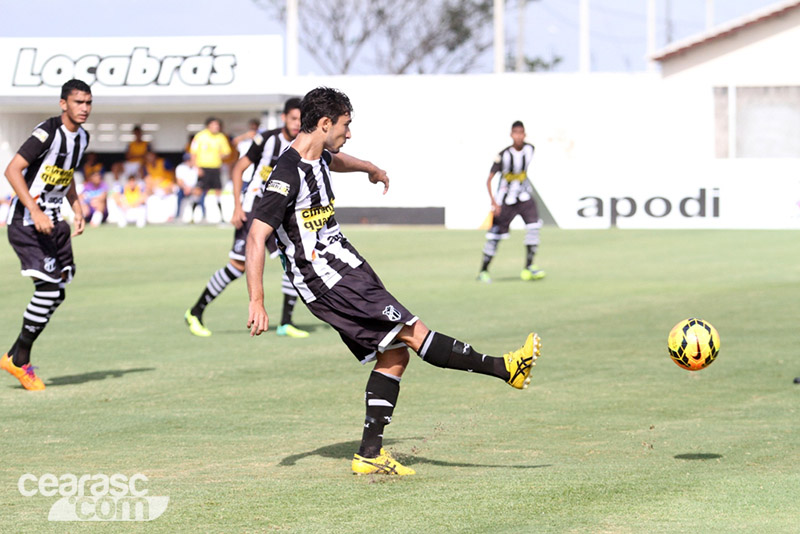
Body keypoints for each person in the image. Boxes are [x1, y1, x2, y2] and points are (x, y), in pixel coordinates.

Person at [246, 87, 541, 476]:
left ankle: (369, 454)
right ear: (324, 123)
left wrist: (370, 167)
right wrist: (257, 300)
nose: (348, 133)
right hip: (328, 279)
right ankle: (506, 368)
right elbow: (255, 235)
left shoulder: (317, 154)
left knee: (395, 355)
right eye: (346, 125)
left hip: (348, 266)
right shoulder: (286, 173)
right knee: (413, 332)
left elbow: (334, 160)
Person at [185, 98, 310, 338]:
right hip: (255, 208)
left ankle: (286, 322)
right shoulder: (267, 140)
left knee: (291, 260)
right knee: (238, 266)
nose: (297, 124)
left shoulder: (303, 144)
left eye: (301, 119)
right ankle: (195, 311)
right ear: (283, 118)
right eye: (293, 118)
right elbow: (238, 168)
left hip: (280, 210)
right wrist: (237, 207)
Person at [1, 79, 92, 391]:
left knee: (59, 288)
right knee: (50, 291)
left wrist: (77, 208)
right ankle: (19, 359)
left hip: (56, 223)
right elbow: (12, 170)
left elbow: (67, 176)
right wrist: (35, 210)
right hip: (27, 221)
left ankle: (15, 354)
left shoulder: (82, 139)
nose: (84, 108)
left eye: (88, 103)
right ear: (63, 103)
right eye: (78, 102)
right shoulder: (47, 132)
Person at [477, 120, 546, 283]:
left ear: (524, 134)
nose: (518, 136)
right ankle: (483, 271)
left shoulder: (530, 149)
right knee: (495, 236)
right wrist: (494, 202)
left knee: (534, 228)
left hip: (524, 197)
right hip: (505, 201)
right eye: (515, 133)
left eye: (521, 133)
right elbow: (489, 179)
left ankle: (528, 268)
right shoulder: (503, 155)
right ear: (511, 135)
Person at [189, 117, 231, 221]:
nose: (216, 127)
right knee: (198, 191)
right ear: (208, 126)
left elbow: (227, 152)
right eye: (214, 125)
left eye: (217, 125)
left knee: (218, 191)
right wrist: (196, 167)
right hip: (203, 168)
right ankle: (193, 216)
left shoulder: (221, 137)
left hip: (215, 167)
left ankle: (221, 217)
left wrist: (222, 156)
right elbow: (193, 153)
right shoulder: (200, 136)